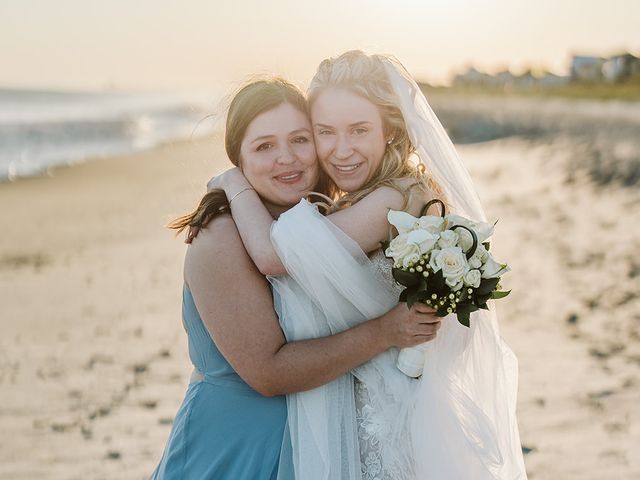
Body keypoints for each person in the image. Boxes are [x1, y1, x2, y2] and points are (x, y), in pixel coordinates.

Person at [214, 51, 528, 479]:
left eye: (359, 130)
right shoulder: (364, 196)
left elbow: (275, 258)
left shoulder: (395, 199)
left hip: (395, 414)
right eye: (325, 132)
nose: (341, 151)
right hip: (366, 405)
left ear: (391, 131)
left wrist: (234, 182)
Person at [150, 76, 442, 480]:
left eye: (300, 140)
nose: (286, 158)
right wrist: (385, 332)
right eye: (264, 146)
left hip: (316, 444)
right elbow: (269, 374)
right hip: (234, 447)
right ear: (238, 159)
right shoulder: (221, 237)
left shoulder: (325, 221)